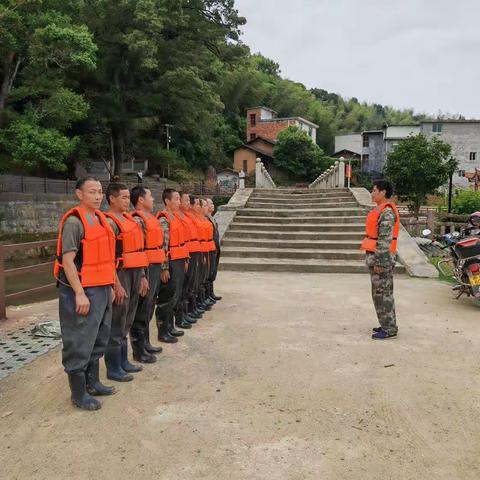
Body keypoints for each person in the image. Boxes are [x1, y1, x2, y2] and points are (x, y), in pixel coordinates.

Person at [54, 177, 116, 411]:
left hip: (101, 287)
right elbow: (68, 262)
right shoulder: (74, 222)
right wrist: (79, 293)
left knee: (99, 336)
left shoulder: (100, 220)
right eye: (92, 192)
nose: (98, 196)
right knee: (79, 340)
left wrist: (110, 285)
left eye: (100, 191)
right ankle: (78, 394)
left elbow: (106, 258)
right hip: (81, 290)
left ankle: (94, 382)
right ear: (80, 194)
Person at [104, 183, 149, 381]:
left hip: (134, 272)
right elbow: (106, 257)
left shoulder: (130, 220)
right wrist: (116, 284)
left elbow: (138, 251)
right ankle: (113, 367)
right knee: (117, 319)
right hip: (120, 273)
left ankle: (124, 361)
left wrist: (142, 276)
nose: (126, 201)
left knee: (128, 317)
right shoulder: (109, 223)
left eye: (127, 197)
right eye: (123, 197)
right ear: (112, 199)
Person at [129, 186, 166, 363]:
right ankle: (138, 349)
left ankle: (146, 343)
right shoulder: (138, 219)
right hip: (147, 265)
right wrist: (142, 275)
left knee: (149, 306)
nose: (153, 198)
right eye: (150, 195)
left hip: (156, 263)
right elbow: (139, 248)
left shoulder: (151, 218)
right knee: (142, 308)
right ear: (141, 200)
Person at [360, 180, 400, 340]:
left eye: (374, 190)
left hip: (381, 258)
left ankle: (389, 328)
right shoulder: (380, 210)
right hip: (377, 256)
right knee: (381, 293)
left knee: (382, 294)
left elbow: (384, 239)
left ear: (383, 192)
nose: (372, 193)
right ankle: (386, 323)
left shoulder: (387, 212)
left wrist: (380, 262)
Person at [155, 189, 190, 342]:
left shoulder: (175, 217)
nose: (178, 202)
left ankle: (170, 326)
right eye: (175, 199)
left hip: (179, 259)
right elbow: (163, 245)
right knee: (166, 297)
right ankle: (163, 331)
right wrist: (164, 267)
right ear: (167, 201)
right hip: (171, 261)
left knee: (174, 295)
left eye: (178, 199)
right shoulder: (164, 219)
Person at [177, 192, 202, 325]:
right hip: (183, 253)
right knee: (183, 286)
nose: (188, 203)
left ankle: (186, 312)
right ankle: (180, 316)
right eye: (185, 200)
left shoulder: (186, 217)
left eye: (188, 201)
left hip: (189, 252)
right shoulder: (177, 217)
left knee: (189, 284)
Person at [205, 198, 222, 303]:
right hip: (208, 248)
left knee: (212, 271)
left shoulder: (212, 218)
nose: (212, 205)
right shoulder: (205, 219)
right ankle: (207, 295)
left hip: (215, 247)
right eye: (210, 203)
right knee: (208, 272)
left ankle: (210, 293)